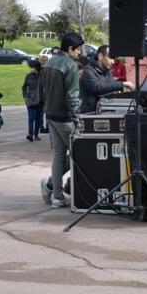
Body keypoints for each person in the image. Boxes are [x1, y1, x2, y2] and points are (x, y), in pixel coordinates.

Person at [41, 32, 82, 208]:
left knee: (59, 155)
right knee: (80, 152)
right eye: (79, 50)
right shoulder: (70, 65)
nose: (80, 53)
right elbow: (72, 96)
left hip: (50, 114)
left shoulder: (50, 62)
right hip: (64, 117)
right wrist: (78, 120)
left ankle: (56, 194)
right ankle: (53, 187)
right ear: (71, 49)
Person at [80, 45, 134, 114]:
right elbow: (97, 88)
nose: (113, 62)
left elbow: (111, 90)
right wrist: (122, 84)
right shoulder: (88, 71)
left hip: (106, 113)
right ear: (100, 56)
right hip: (89, 115)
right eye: (110, 58)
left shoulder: (108, 72)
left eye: (114, 59)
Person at [22, 60, 45, 141]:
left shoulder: (43, 76)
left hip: (40, 100)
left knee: (38, 117)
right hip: (30, 100)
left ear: (36, 68)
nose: (30, 69)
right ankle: (30, 134)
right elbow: (24, 87)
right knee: (31, 117)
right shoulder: (28, 76)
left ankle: (36, 134)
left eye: (32, 67)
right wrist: (25, 96)